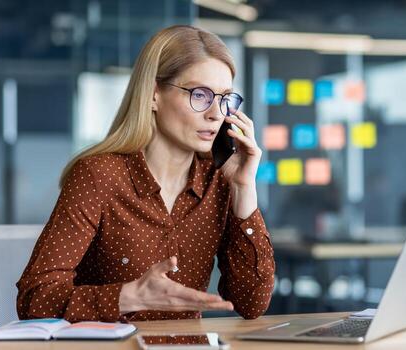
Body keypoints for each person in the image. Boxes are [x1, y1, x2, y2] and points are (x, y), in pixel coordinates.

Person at [16, 25, 275, 322]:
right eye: (200, 94)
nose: (216, 113)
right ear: (153, 95)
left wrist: (244, 189)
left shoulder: (220, 180)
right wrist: (128, 296)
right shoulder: (99, 176)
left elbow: (252, 304)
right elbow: (33, 298)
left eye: (224, 98)